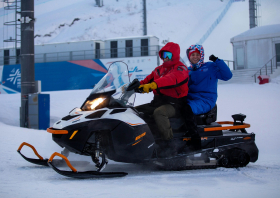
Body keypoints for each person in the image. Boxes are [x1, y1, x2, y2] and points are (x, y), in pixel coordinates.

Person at [135, 42, 189, 157]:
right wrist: (135, 86)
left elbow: (170, 79)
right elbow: (146, 81)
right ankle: (142, 141)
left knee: (159, 113)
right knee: (133, 111)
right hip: (158, 102)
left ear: (174, 55)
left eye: (168, 55)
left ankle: (169, 145)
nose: (166, 58)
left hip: (175, 104)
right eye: (164, 55)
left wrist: (153, 85)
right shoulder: (158, 70)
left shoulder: (180, 69)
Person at [183, 44, 232, 141]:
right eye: (193, 55)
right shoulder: (187, 70)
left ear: (201, 55)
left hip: (206, 100)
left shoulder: (211, 67)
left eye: (197, 54)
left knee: (186, 109)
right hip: (190, 99)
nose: (195, 57)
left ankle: (194, 139)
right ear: (189, 56)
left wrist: (218, 61)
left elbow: (227, 76)